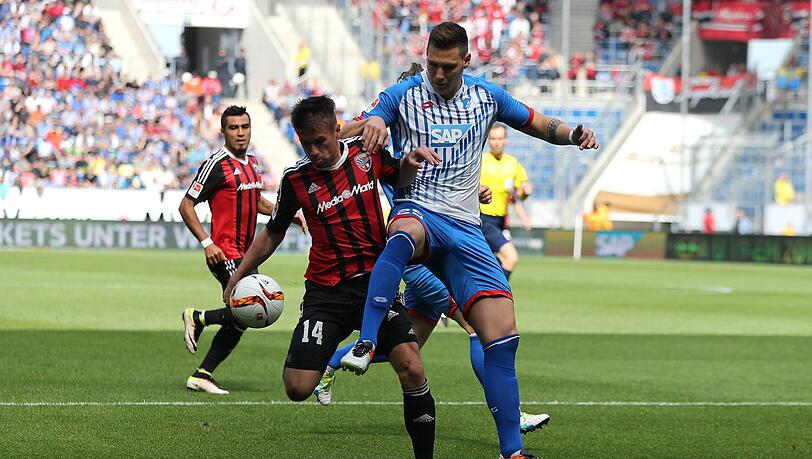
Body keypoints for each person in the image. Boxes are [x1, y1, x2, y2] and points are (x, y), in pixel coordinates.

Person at [341, 22, 598, 459]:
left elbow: (537, 123)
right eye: (431, 65)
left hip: (466, 229)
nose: (438, 75)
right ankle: (365, 341)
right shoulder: (403, 93)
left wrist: (571, 133)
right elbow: (368, 120)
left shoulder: (486, 97)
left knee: (501, 335)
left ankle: (512, 451)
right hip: (418, 211)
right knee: (403, 234)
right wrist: (374, 125)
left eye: (446, 67)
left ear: (465, 61)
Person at [312, 62, 551, 436]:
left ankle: (331, 359)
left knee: (406, 347)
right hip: (417, 246)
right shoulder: (383, 140)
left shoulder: (428, 135)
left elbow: (441, 187)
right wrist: (370, 121)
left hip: (433, 237)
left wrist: (473, 193)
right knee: (477, 327)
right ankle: (512, 417)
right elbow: (342, 136)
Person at [223, 96, 437, 459]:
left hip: (375, 286)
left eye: (320, 141)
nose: (315, 151)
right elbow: (273, 231)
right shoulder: (296, 178)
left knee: (412, 368)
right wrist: (239, 274)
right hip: (326, 294)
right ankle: (336, 358)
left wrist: (410, 165)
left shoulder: (365, 155)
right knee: (297, 387)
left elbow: (398, 176)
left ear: (336, 131)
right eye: (306, 144)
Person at [179, 106, 290, 394]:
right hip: (225, 252)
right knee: (250, 307)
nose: (240, 133)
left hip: (247, 253)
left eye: (244, 127)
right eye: (233, 128)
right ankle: (197, 317)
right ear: (224, 131)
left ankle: (202, 374)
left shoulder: (252, 162)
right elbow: (185, 205)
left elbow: (257, 202)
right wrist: (207, 242)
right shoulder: (216, 164)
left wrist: (287, 213)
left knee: (242, 319)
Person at [480, 123, 533, 280]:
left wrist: (525, 193)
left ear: (505, 141)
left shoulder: (513, 163)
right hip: (482, 219)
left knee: (496, 262)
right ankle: (499, 295)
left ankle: (488, 293)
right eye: (493, 138)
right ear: (488, 140)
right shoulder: (481, 161)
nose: (496, 142)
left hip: (500, 222)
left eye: (500, 138)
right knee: (511, 258)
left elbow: (517, 196)